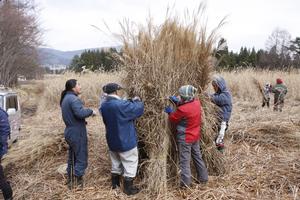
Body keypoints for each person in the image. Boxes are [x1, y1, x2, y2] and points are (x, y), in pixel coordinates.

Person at [100, 83, 144, 196]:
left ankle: (115, 185)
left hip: (112, 140)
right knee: (130, 162)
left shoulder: (104, 105)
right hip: (125, 140)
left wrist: (128, 101)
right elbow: (138, 109)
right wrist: (137, 101)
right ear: (116, 92)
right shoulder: (120, 105)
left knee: (116, 163)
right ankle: (128, 189)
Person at [165, 85, 208, 188]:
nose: (179, 97)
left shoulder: (183, 109)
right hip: (195, 136)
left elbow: (173, 118)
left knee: (184, 161)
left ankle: (185, 184)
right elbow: (186, 105)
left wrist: (170, 112)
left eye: (181, 96)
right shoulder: (197, 103)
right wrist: (176, 101)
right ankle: (203, 178)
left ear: (185, 97)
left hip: (185, 138)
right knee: (197, 157)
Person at [60, 79, 96, 189]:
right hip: (77, 132)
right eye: (78, 84)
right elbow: (80, 113)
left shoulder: (66, 98)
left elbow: (74, 115)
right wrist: (91, 111)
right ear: (73, 87)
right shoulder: (74, 99)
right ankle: (78, 182)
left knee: (72, 157)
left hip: (70, 131)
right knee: (81, 156)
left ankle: (71, 181)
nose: (80, 86)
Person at [207, 75, 232, 153]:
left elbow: (218, 99)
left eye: (215, 86)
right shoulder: (219, 94)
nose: (214, 88)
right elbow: (214, 96)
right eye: (213, 87)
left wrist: (208, 97)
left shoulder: (226, 95)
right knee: (216, 135)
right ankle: (217, 150)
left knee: (219, 139)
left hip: (223, 120)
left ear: (220, 85)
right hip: (219, 119)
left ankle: (221, 153)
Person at [0, 107, 13, 200]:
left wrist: (1, 145)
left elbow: (5, 130)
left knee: (1, 179)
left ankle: (8, 197)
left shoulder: (1, 113)